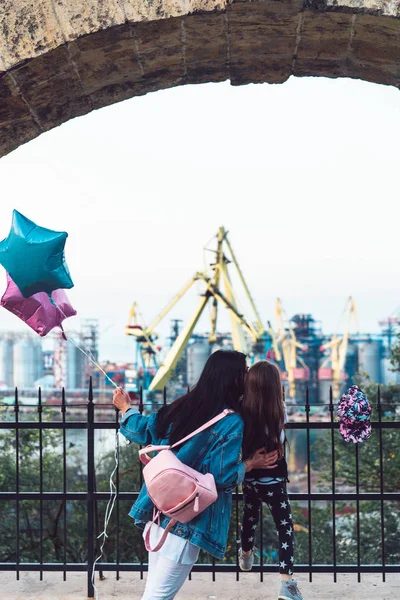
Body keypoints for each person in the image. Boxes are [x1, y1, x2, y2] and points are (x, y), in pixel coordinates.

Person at [113, 350, 277, 600]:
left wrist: (126, 409)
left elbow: (142, 430)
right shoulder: (231, 423)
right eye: (243, 372)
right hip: (188, 517)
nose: (246, 377)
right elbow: (223, 476)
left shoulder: (183, 405)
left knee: (154, 592)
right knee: (157, 596)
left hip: (158, 510)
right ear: (231, 378)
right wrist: (250, 464)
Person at [238, 360, 304, 600]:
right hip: (274, 479)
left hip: (250, 476)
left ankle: (245, 553)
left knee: (250, 517)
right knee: (285, 528)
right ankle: (287, 585)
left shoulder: (241, 411)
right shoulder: (280, 409)